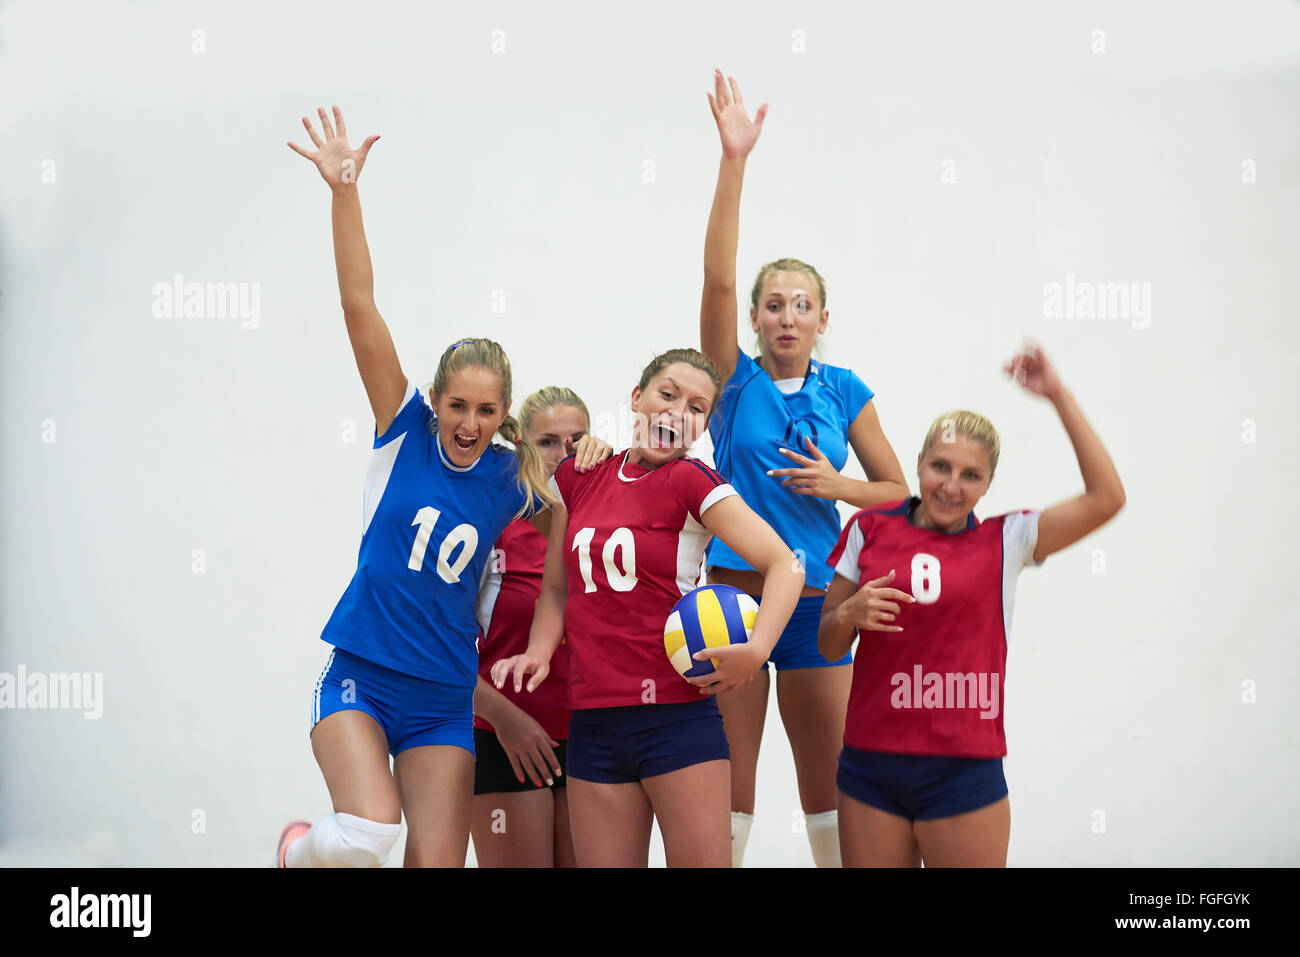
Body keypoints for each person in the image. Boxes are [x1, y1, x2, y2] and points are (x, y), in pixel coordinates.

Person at [274, 106, 607, 868]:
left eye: (486, 410)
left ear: (503, 415)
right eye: (458, 405)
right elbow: (360, 305)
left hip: (443, 697)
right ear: (436, 398)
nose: (469, 422)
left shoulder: (512, 476)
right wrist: (344, 192)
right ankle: (297, 851)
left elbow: (587, 514)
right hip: (362, 669)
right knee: (367, 834)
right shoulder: (404, 432)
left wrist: (594, 451)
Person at [699, 71, 911, 867]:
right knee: (727, 783)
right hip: (737, 596)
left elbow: (896, 490)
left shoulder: (845, 388)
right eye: (773, 303)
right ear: (754, 317)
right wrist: (734, 162)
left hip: (822, 598)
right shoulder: (733, 382)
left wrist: (839, 486)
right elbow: (717, 276)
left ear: (823, 318)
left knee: (830, 789)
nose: (786, 315)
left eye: (802, 304)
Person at [492, 349, 806, 867]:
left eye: (697, 406)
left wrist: (756, 652)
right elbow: (556, 588)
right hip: (593, 722)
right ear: (636, 399)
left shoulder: (692, 480)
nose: (678, 411)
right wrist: (539, 652)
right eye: (667, 394)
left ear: (704, 424)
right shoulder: (579, 476)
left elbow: (785, 566)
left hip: (676, 718)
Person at [819, 343, 1126, 867]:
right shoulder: (867, 528)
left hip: (962, 773)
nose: (951, 485)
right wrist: (847, 616)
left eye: (970, 475)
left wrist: (1057, 395)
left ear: (988, 484)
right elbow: (828, 643)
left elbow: (1106, 498)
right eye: (940, 466)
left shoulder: (1008, 541)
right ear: (918, 463)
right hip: (871, 768)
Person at [471, 387, 592, 868]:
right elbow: (437, 649)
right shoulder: (491, 524)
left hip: (590, 741)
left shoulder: (600, 526)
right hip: (503, 737)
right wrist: (507, 721)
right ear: (520, 445)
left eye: (576, 440)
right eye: (548, 442)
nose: (564, 454)